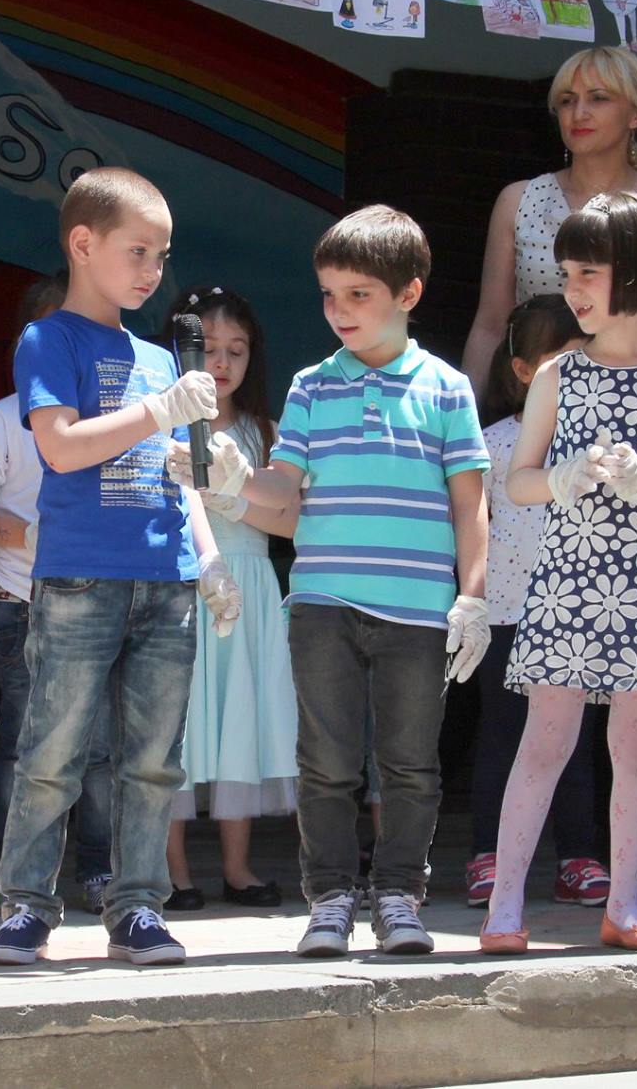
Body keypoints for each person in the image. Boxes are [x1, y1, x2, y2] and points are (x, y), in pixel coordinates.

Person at [200, 205, 491, 959]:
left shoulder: (447, 388)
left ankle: (399, 898)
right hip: (323, 603)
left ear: (409, 294)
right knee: (325, 766)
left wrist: (473, 596)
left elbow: (471, 504)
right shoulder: (310, 386)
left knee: (410, 767)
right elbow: (283, 487)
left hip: (419, 610)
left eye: (359, 294)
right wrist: (237, 478)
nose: (339, 310)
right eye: (329, 294)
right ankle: (329, 900)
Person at [0, 169, 240, 969]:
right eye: (138, 251)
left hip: (165, 579)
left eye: (161, 254)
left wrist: (211, 538)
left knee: (153, 761)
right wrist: (160, 412)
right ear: (83, 244)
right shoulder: (49, 339)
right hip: (80, 578)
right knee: (52, 753)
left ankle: (137, 908)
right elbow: (61, 447)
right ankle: (28, 907)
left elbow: (177, 473)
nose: (152, 270)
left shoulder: (160, 359)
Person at [480, 193, 637, 955]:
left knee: (636, 747)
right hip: (567, 584)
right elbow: (518, 480)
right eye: (567, 274)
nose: (572, 290)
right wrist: (561, 479)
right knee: (544, 740)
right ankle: (503, 911)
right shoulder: (558, 374)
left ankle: (623, 905)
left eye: (586, 273)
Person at [0, 273, 119, 916]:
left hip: (102, 599)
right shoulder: (0, 420)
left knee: (98, 750)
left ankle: (99, 871)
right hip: (20, 599)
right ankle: (15, 877)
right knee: (24, 746)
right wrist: (29, 536)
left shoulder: (120, 416)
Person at [464, 295, 610, 913]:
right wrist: (469, 598)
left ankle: (578, 856)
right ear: (524, 371)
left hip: (579, 616)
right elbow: (473, 524)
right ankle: (489, 856)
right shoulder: (495, 443)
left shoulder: (606, 448)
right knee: (502, 736)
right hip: (506, 613)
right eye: (560, 361)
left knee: (577, 741)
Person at [159, 286, 300, 910]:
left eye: (235, 350)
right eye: (208, 348)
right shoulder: (160, 423)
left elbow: (293, 520)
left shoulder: (265, 432)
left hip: (251, 588)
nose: (221, 362)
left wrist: (232, 499)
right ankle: (174, 872)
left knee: (241, 717)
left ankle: (238, 869)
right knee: (177, 727)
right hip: (180, 586)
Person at [463, 44, 637, 391]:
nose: (579, 113)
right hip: (535, 398)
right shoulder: (517, 200)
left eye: (598, 98)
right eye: (567, 101)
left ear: (636, 114)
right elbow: (490, 326)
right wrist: (468, 414)